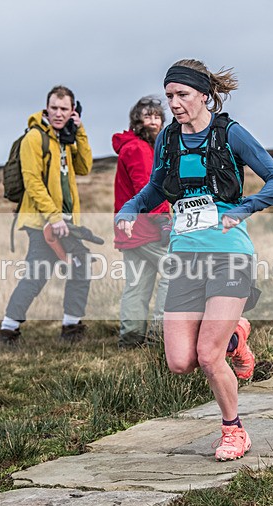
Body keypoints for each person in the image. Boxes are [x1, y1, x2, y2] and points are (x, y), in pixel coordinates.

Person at [115, 59, 273, 461]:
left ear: (204, 96)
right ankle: (236, 336)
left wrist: (243, 209)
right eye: (169, 96)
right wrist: (129, 211)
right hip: (186, 257)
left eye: (182, 95)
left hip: (230, 254)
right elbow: (154, 189)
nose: (174, 103)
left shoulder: (231, 134)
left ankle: (234, 432)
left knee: (209, 357)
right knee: (180, 361)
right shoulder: (169, 139)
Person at [0, 85, 94, 348]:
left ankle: (68, 328)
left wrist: (79, 131)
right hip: (42, 222)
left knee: (78, 267)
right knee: (38, 275)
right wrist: (53, 217)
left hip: (66, 222)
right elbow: (33, 181)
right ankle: (8, 332)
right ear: (47, 108)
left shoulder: (65, 139)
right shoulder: (34, 139)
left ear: (73, 111)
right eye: (54, 108)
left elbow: (84, 167)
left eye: (64, 109)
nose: (58, 114)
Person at [113, 97, 171, 348]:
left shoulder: (135, 147)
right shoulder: (138, 149)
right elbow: (147, 189)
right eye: (148, 116)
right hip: (146, 227)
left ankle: (131, 339)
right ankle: (160, 335)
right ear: (137, 121)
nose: (154, 122)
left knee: (137, 284)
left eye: (157, 116)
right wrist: (163, 221)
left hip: (130, 231)